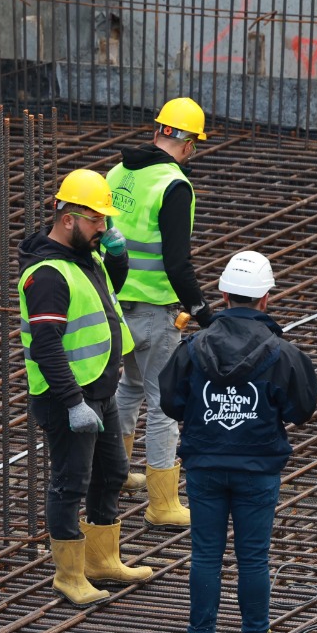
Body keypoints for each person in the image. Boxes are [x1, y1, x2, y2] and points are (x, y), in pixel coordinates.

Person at [159, 250, 317, 633]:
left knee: (205, 553)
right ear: (265, 299)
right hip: (258, 468)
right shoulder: (281, 352)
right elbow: (302, 409)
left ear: (224, 295)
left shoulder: (193, 347)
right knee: (253, 557)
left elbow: (170, 400)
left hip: (204, 466)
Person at [17, 168, 154, 606]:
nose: (105, 228)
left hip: (99, 389)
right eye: (97, 221)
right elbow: (46, 345)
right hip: (67, 397)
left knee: (112, 472)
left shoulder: (82, 258)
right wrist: (74, 403)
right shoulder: (48, 275)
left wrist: (115, 256)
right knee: (69, 482)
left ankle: (102, 560)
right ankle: (69, 574)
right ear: (69, 218)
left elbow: (105, 294)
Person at [107, 97, 214, 527]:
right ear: (187, 144)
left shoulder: (117, 173)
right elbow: (177, 262)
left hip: (115, 305)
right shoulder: (174, 185)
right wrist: (203, 311)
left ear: (159, 132)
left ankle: (113, 474)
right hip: (155, 309)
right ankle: (163, 502)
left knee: (128, 389)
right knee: (162, 401)